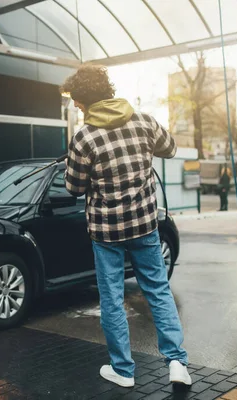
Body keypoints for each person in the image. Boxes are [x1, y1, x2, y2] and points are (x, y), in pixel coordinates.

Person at [61, 64, 191, 388]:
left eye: (77, 101)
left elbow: (73, 187)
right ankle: (177, 362)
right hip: (145, 226)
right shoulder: (144, 121)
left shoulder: (84, 137)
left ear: (86, 100)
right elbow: (170, 148)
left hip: (106, 233)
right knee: (158, 291)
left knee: (112, 298)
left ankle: (123, 370)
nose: (76, 106)